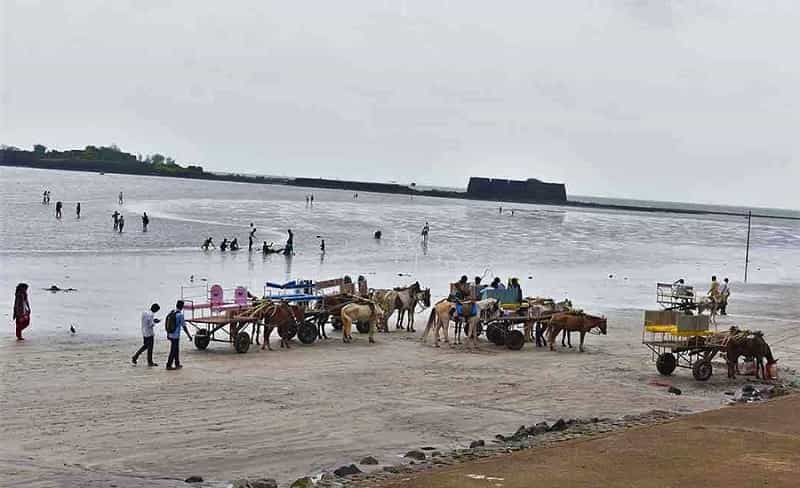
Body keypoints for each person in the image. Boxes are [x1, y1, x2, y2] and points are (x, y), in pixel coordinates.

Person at [165, 300, 192, 370]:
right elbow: (184, 326)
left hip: (170, 334)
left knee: (176, 349)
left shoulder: (172, 312)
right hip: (175, 336)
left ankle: (177, 363)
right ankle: (168, 365)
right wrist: (189, 335)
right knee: (173, 350)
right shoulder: (180, 315)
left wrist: (167, 333)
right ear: (182, 306)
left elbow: (167, 324)